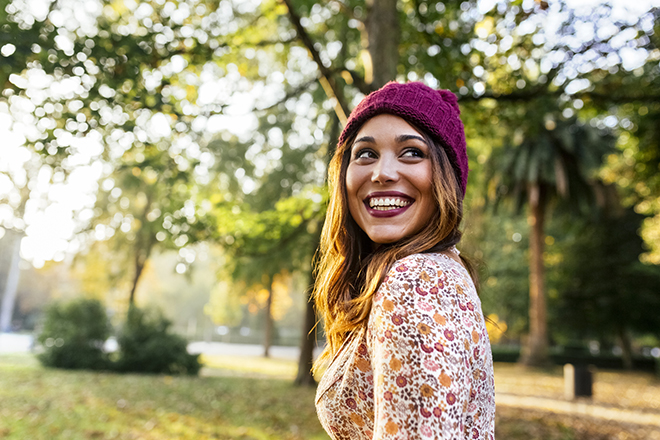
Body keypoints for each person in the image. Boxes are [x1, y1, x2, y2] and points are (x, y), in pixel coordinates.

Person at [313, 81, 495, 439]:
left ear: (446, 177)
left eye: (411, 152)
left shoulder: (417, 281)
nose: (382, 172)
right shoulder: (440, 271)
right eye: (365, 153)